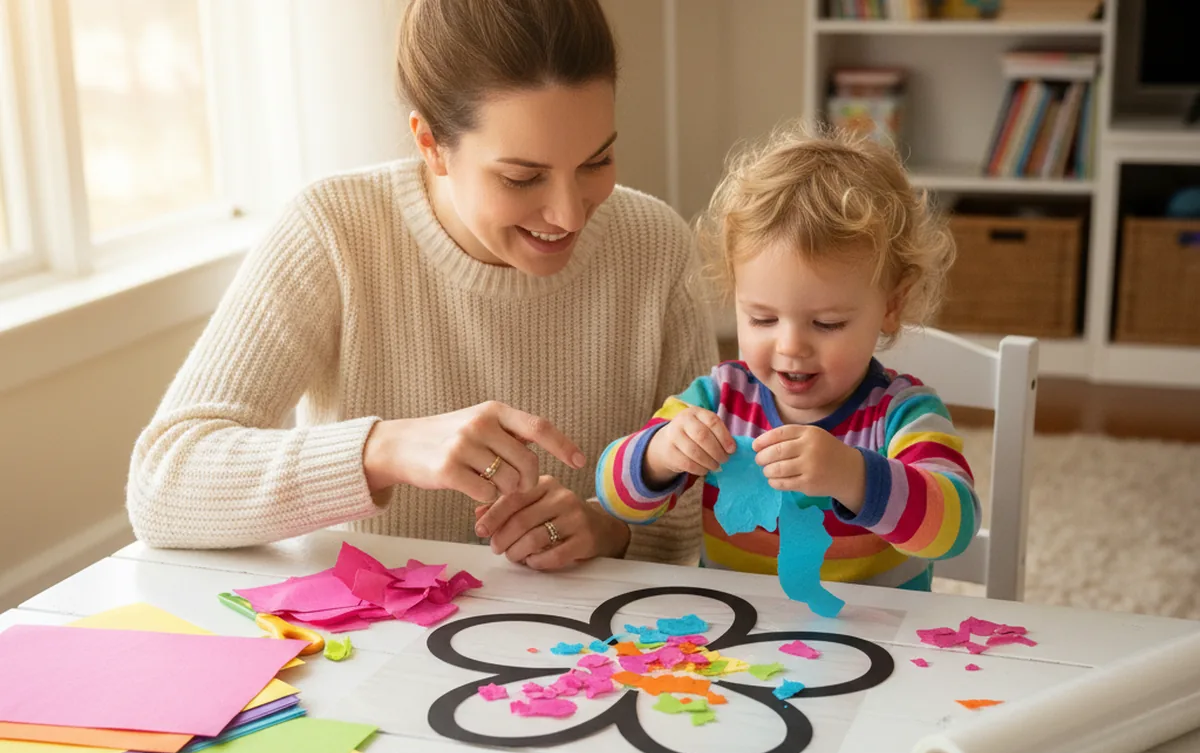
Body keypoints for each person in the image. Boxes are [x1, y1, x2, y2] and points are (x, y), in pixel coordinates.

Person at [127, 0, 716, 569]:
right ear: (431, 145)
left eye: (596, 162)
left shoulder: (655, 244)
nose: (568, 214)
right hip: (371, 647)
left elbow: (698, 513)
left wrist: (607, 529)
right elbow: (164, 485)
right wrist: (385, 450)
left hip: (587, 652)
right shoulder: (335, 229)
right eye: (522, 177)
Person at [596, 125, 980, 591]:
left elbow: (955, 528)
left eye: (827, 323)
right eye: (762, 319)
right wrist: (660, 454)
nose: (790, 347)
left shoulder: (903, 414)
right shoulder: (719, 398)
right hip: (738, 644)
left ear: (891, 307)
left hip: (879, 644)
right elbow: (615, 495)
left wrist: (854, 476)